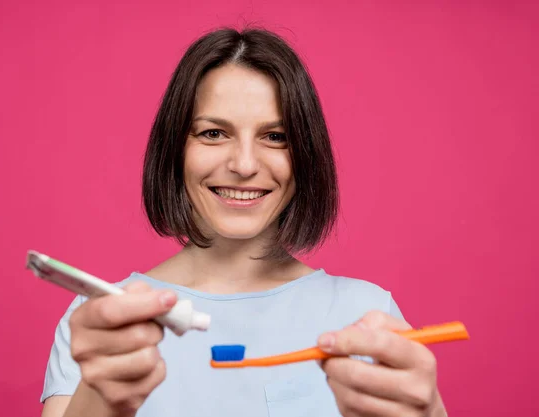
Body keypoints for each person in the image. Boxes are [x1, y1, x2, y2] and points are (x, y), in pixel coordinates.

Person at [40, 27, 447, 417]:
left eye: (275, 137)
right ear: (174, 151)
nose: (244, 165)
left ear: (305, 154)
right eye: (214, 133)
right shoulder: (103, 319)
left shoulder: (367, 313)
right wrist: (102, 397)